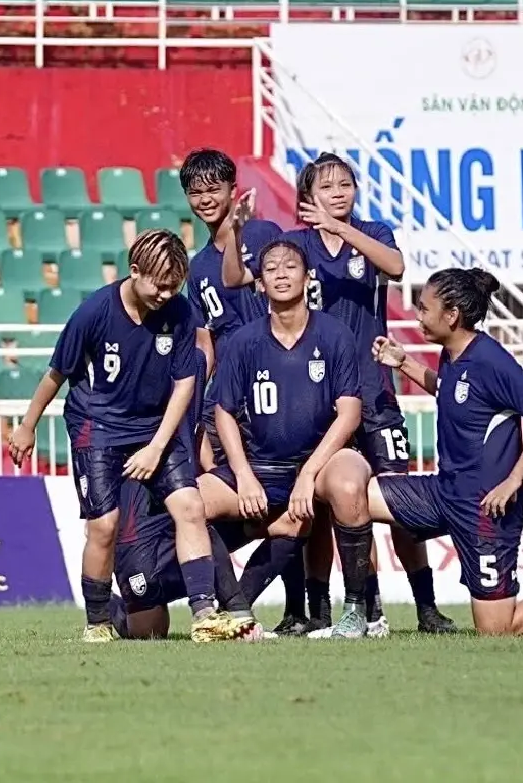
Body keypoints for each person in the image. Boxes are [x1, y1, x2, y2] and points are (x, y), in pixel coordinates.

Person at [317, 267, 523, 637]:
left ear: (451, 315)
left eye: (424, 309)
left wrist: (513, 480)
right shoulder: (452, 354)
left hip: (486, 508)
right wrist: (404, 363)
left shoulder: (489, 358)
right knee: (348, 494)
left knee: (498, 629)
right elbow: (456, 394)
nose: (418, 316)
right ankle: (361, 615)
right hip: (443, 492)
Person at [220, 152, 455, 635]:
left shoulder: (373, 234)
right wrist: (234, 232)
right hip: (318, 397)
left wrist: (340, 227)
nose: (338, 193)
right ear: (308, 196)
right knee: (326, 506)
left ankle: (426, 607)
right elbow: (233, 279)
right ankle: (342, 610)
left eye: (345, 184)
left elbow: (395, 267)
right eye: (327, 188)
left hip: (374, 391)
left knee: (398, 500)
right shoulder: (296, 246)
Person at [7, 229, 245, 644]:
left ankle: (205, 615)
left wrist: (157, 446)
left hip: (153, 428)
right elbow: (56, 374)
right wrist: (27, 425)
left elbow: (185, 385)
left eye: (175, 285)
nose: (167, 294)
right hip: (97, 427)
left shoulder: (182, 313)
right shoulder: (94, 311)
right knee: (104, 526)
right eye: (160, 284)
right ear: (135, 272)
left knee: (191, 506)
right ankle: (97, 622)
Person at [200, 238, 377, 636]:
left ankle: (355, 610)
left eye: (290, 266)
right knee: (190, 504)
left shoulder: (334, 334)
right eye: (271, 268)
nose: (281, 273)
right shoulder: (245, 340)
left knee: (349, 486)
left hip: (324, 459)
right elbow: (223, 411)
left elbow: (350, 413)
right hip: (262, 465)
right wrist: (243, 475)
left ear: (308, 276)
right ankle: (236, 610)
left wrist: (309, 474)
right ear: (259, 283)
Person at [178, 148, 308, 633]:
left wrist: (235, 228)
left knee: (294, 501)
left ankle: (299, 609)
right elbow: (206, 339)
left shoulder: (261, 235)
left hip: (277, 388)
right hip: (226, 399)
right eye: (196, 191)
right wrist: (199, 401)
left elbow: (259, 289)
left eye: (215, 189)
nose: (206, 198)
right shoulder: (194, 267)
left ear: (233, 190)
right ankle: (233, 606)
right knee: (204, 497)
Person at [109, 479, 264, 641]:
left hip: (184, 531)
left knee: (198, 511)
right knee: (147, 632)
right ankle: (107, 601)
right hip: (140, 549)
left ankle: (236, 611)